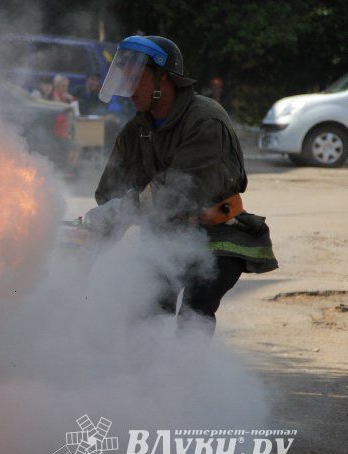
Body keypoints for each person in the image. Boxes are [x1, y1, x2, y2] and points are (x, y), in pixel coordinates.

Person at [86, 35, 277, 334]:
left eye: (136, 76)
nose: (128, 86)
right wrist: (93, 232)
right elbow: (112, 193)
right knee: (144, 313)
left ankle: (189, 378)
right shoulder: (136, 130)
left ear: (165, 77)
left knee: (194, 314)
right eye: (124, 76)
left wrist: (118, 212)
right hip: (164, 236)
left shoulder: (206, 120)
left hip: (217, 237)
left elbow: (175, 193)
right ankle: (144, 379)